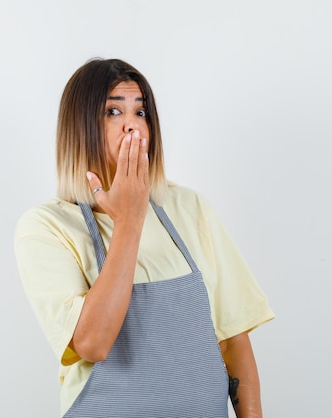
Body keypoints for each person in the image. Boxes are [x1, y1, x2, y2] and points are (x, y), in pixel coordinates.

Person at [14, 58, 274, 417]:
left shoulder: (189, 208)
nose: (132, 127)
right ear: (79, 127)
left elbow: (232, 343)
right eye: (113, 111)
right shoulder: (47, 227)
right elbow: (91, 342)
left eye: (141, 112)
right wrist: (130, 219)